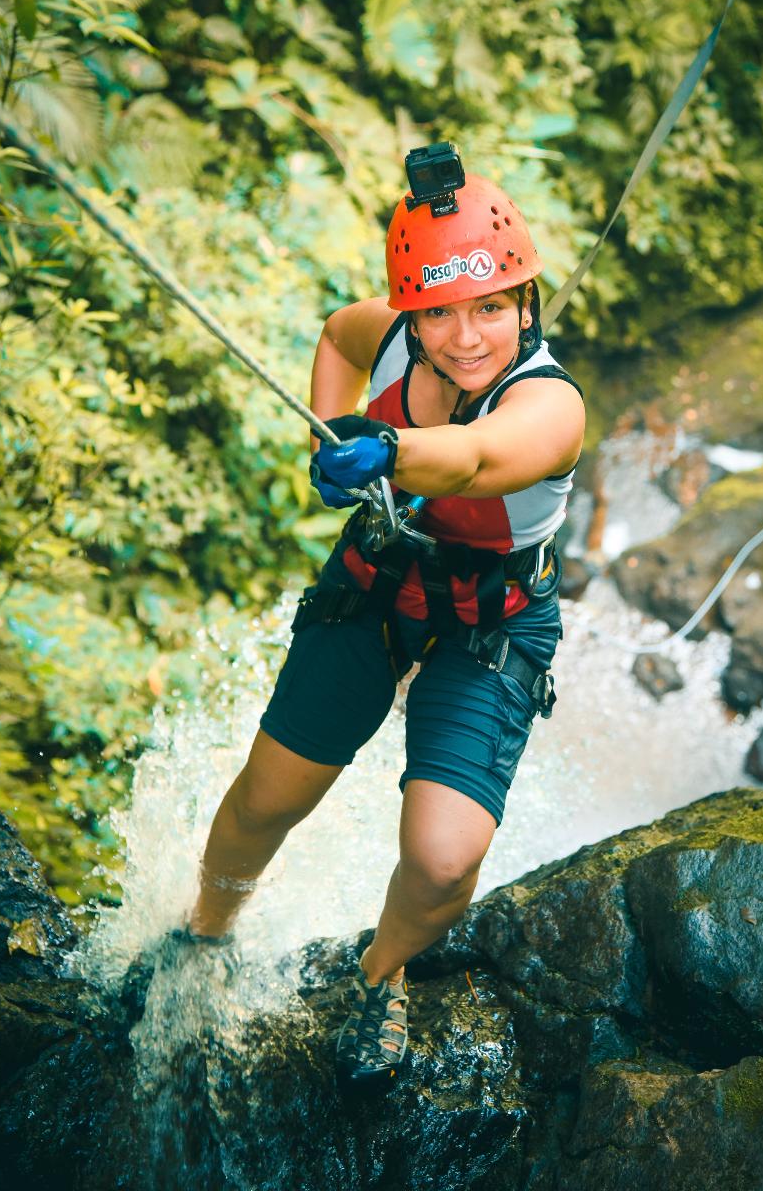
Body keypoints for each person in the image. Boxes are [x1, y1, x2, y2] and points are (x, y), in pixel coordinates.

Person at [185, 148, 585, 1087]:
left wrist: (384, 447)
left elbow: (478, 459)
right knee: (267, 799)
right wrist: (327, 434)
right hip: (381, 576)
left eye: (491, 306)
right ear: (412, 309)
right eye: (438, 311)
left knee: (444, 861)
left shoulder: (551, 405)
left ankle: (380, 972)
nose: (466, 336)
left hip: (495, 614)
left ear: (527, 302)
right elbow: (336, 335)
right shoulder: (395, 334)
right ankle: (203, 934)